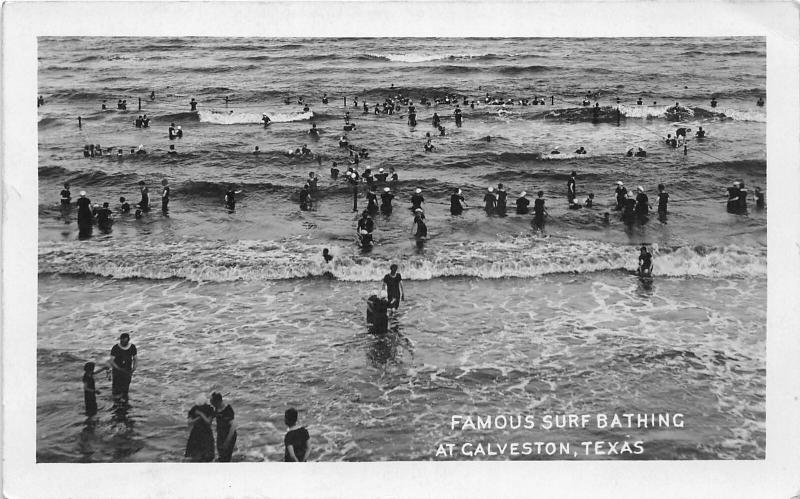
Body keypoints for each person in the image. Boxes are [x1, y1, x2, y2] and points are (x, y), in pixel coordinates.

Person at [107, 333, 137, 403]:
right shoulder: (115, 348)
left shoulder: (132, 347)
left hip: (127, 370)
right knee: (116, 389)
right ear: (120, 340)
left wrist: (134, 368)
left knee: (125, 389)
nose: (123, 343)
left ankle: (125, 402)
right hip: (117, 371)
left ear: (128, 340)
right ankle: (116, 403)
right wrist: (118, 368)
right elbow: (111, 360)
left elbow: (135, 358)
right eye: (122, 341)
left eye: (125, 341)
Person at [185, 396, 215, 462]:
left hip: (203, 433)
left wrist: (201, 414)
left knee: (205, 456)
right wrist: (200, 417)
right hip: (198, 434)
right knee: (197, 456)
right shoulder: (195, 409)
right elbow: (189, 422)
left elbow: (208, 422)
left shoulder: (209, 409)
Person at [210, 392, 237, 462]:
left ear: (218, 402)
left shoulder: (228, 410)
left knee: (226, 456)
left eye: (213, 403)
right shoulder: (217, 408)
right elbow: (211, 417)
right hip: (220, 434)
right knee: (221, 454)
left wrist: (227, 440)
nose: (212, 405)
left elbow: (233, 426)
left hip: (229, 435)